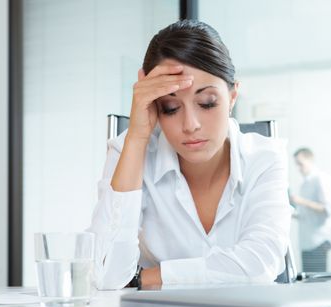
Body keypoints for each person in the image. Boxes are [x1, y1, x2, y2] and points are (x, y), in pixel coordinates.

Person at [87, 20, 291, 289]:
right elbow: (104, 273)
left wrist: (143, 279)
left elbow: (258, 264)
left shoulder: (264, 159)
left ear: (232, 97)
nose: (190, 124)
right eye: (170, 107)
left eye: (207, 103)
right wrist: (136, 137)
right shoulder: (130, 152)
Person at [290, 148, 331, 272]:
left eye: (301, 164)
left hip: (318, 241)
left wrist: (301, 201)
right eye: (297, 165)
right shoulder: (305, 183)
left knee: (317, 283)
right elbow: (306, 214)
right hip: (308, 241)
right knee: (309, 281)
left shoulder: (321, 179)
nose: (299, 168)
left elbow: (327, 209)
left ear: (310, 160)